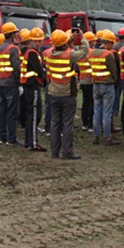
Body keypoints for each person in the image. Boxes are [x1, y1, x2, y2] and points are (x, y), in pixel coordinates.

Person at [42, 28, 89, 159]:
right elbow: (84, 52)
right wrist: (83, 38)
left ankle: (54, 151)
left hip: (53, 92)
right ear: (64, 44)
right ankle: (67, 151)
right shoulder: (70, 55)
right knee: (67, 123)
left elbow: (57, 48)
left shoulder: (47, 53)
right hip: (67, 93)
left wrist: (67, 41)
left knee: (55, 122)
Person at [89, 29, 120, 145]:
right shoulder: (108, 54)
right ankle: (108, 137)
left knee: (97, 111)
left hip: (96, 84)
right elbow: (113, 70)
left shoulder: (92, 52)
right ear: (109, 43)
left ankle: (96, 136)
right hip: (107, 85)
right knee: (107, 112)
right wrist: (115, 80)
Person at [0, 22, 23, 146]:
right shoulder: (13, 48)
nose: (17, 35)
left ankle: (2, 136)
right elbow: (16, 67)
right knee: (12, 112)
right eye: (15, 33)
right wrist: (19, 83)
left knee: (2, 111)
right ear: (11, 34)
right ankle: (11, 138)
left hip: (1, 82)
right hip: (11, 83)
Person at [20, 27, 47, 150]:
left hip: (30, 86)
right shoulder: (32, 53)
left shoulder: (31, 52)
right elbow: (39, 70)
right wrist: (44, 74)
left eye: (39, 41)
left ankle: (29, 141)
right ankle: (33, 143)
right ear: (31, 41)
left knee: (31, 114)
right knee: (35, 115)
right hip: (32, 86)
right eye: (36, 41)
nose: (38, 43)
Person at [77, 31, 96, 132]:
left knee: (85, 102)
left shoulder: (80, 53)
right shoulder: (91, 52)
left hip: (83, 80)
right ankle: (91, 124)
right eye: (93, 41)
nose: (94, 43)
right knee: (92, 102)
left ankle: (85, 123)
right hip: (91, 80)